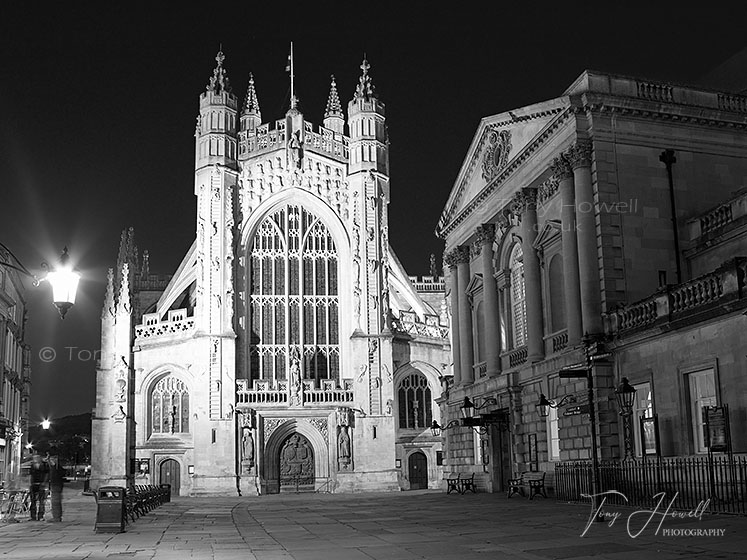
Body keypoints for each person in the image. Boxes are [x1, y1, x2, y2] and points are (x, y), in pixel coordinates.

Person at [28, 454, 49, 521]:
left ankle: (40, 516)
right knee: (33, 501)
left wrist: (44, 483)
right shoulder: (32, 466)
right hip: (33, 484)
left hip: (41, 484)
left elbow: (47, 474)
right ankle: (33, 516)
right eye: (34, 458)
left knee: (41, 501)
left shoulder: (44, 465)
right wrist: (30, 483)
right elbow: (31, 475)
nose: (35, 459)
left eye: (37, 458)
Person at [47, 455, 65, 522]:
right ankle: (57, 516)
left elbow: (56, 477)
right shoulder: (54, 468)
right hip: (55, 486)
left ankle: (56, 517)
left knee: (55, 502)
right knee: (56, 502)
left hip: (56, 486)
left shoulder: (56, 468)